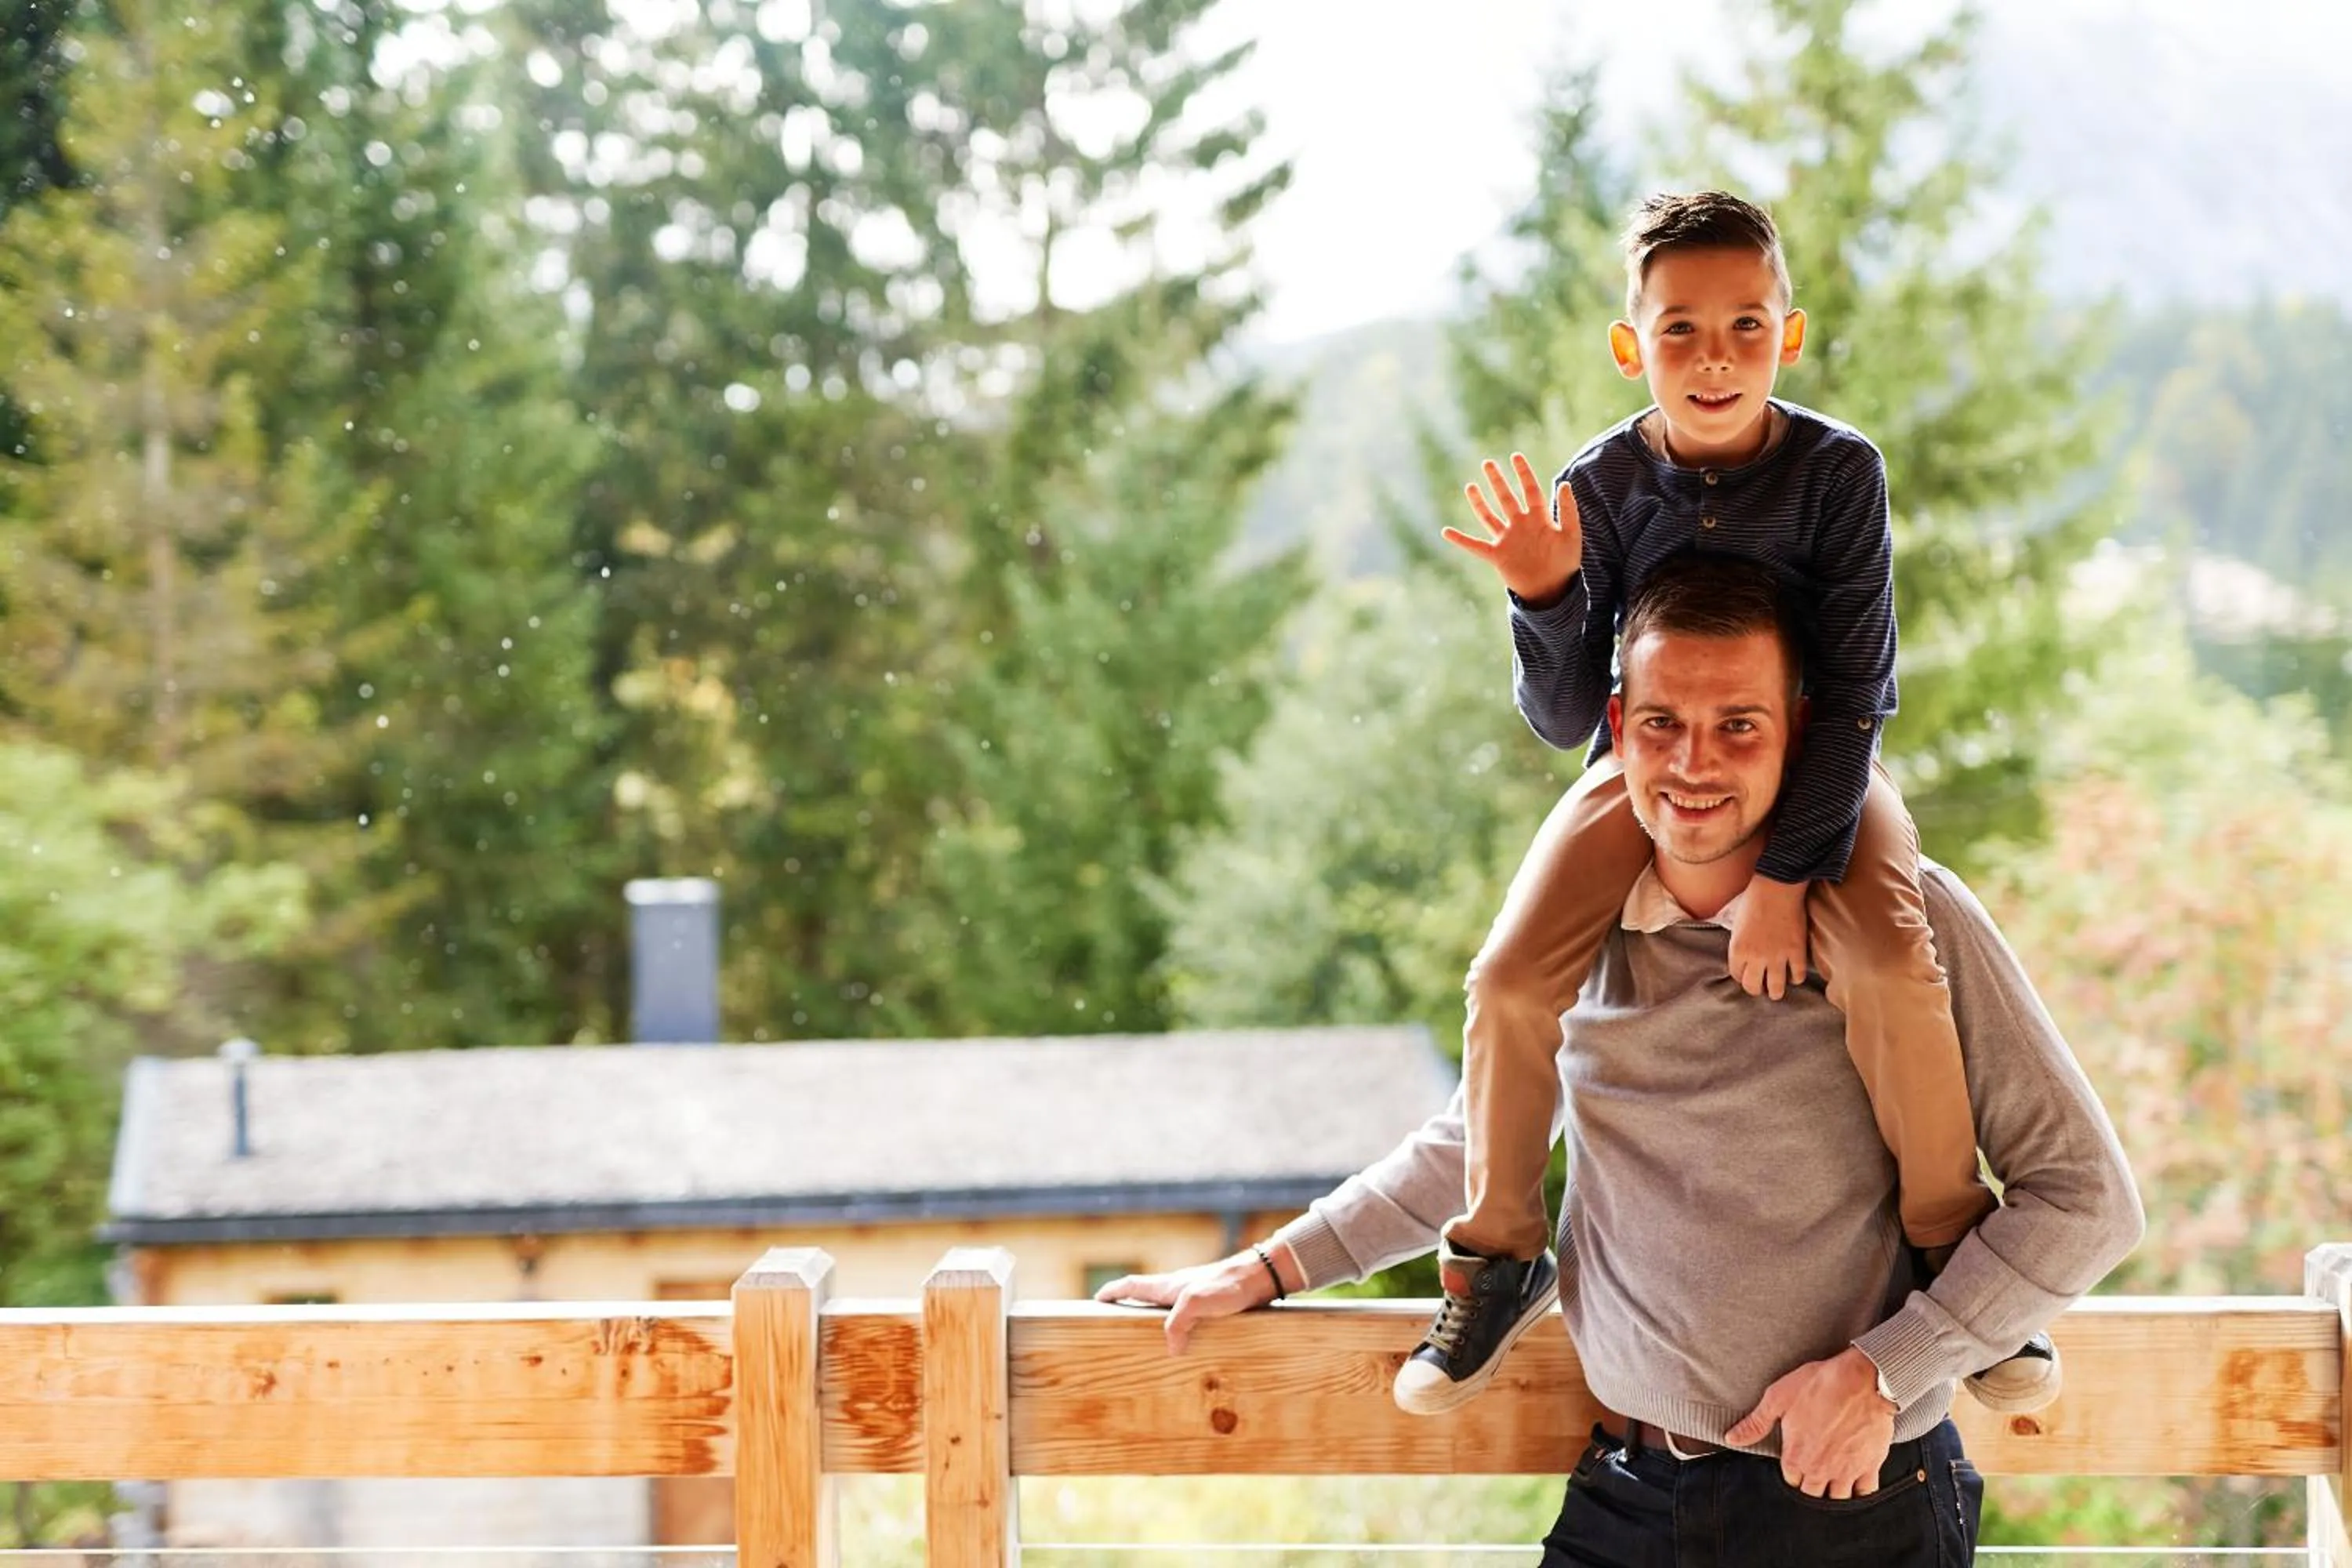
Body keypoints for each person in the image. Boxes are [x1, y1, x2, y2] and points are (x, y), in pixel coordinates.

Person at [1095, 554, 2143, 1567]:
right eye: (1662, 725)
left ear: (1803, 737)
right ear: (1616, 733)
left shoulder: (1906, 925)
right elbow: (1469, 1149)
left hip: (1847, 1503)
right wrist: (1272, 1266)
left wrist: (1887, 1373)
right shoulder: (1579, 936)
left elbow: (2087, 1200)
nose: (1693, 764)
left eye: (1739, 726)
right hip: (1625, 1498)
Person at [1417, 188, 2038, 1417]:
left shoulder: (1836, 473)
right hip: (1639, 768)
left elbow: (1857, 690)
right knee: (1508, 980)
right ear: (1629, 343)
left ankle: (1953, 1248)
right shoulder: (1601, 485)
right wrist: (1544, 597)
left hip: (1816, 762)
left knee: (1890, 965)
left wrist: (1787, 879)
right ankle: (1495, 1257)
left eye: (1745, 328)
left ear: (1788, 336)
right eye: (1680, 330)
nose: (1714, 359)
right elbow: (1560, 720)